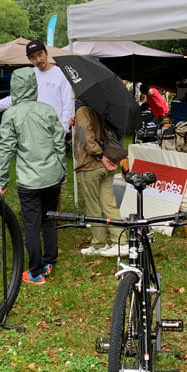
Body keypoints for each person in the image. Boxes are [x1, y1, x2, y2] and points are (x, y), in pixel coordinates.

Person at [0, 67, 67, 285]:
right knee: (49, 219)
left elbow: (6, 149)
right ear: (34, 86)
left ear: (14, 88)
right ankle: (49, 261)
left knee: (32, 225)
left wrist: (2, 180)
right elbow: (59, 144)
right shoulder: (47, 110)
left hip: (29, 180)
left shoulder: (11, 115)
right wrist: (62, 170)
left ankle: (36, 272)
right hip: (52, 176)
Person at [0, 40, 75, 132]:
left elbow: (67, 104)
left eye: (40, 54)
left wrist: (63, 129)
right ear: (29, 59)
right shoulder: (29, 75)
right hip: (31, 130)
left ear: (46, 53)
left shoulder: (61, 75)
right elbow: (14, 99)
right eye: (33, 57)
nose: (38, 60)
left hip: (54, 130)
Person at [74, 104, 125, 258]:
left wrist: (99, 155)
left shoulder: (83, 110)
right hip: (107, 162)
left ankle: (99, 243)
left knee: (93, 206)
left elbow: (85, 136)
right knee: (109, 203)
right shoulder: (104, 107)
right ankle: (121, 242)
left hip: (91, 165)